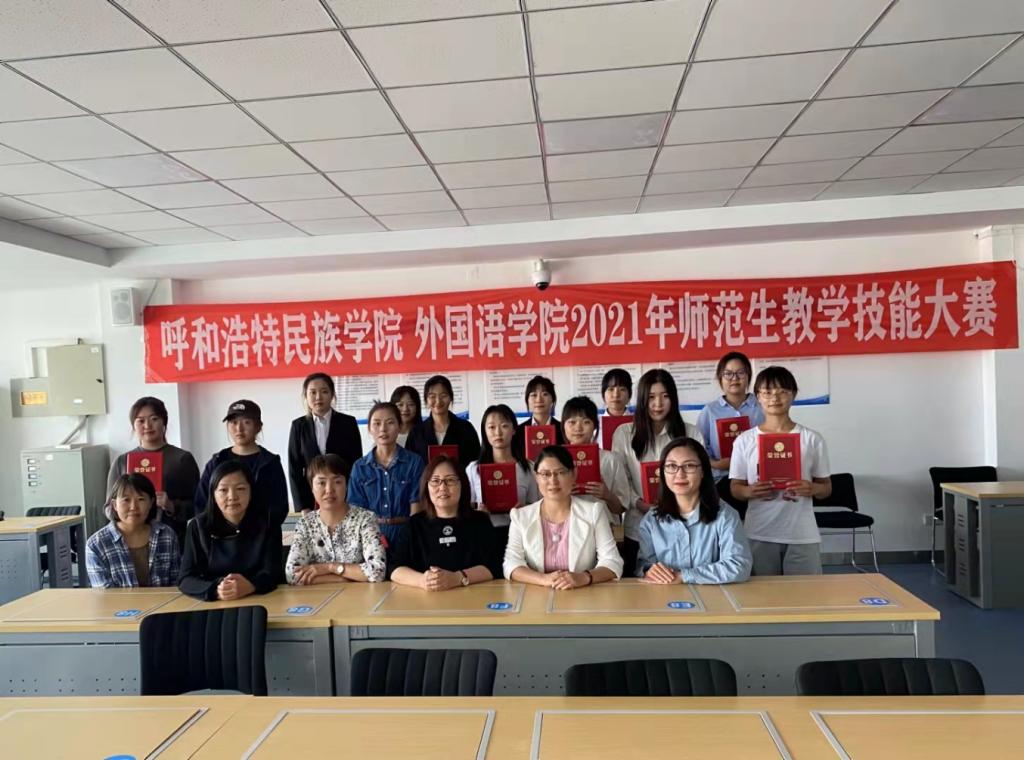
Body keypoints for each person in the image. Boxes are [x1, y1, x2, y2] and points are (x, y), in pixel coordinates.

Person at [729, 366, 832, 576]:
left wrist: (812, 488)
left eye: (782, 391)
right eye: (767, 392)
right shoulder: (744, 441)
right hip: (759, 532)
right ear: (758, 396)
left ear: (793, 394)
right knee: (763, 594)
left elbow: (826, 488)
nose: (774, 398)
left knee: (806, 594)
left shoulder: (812, 439)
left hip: (801, 535)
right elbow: (735, 487)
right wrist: (749, 491)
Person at [612, 369, 704, 577]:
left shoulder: (691, 433)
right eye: (651, 397)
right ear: (642, 400)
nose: (658, 404)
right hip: (638, 527)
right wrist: (638, 503)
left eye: (665, 396)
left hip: (684, 528)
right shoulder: (624, 434)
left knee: (681, 584)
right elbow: (622, 481)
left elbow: (699, 477)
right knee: (641, 587)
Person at [504, 446, 623, 589]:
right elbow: (511, 564)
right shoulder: (520, 516)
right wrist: (545, 579)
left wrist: (583, 577)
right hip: (537, 594)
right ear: (536, 477)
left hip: (582, 594)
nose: (553, 481)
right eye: (545, 474)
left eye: (560, 473)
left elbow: (613, 561)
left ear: (574, 474)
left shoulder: (593, 512)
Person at [637, 437, 752, 584]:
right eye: (671, 466)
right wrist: (649, 571)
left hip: (715, 596)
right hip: (666, 594)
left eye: (689, 466)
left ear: (703, 471)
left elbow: (739, 565)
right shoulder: (651, 520)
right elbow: (644, 565)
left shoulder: (725, 516)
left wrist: (684, 576)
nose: (680, 474)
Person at [389, 455, 502, 590]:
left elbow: (494, 566)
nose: (442, 487)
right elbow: (394, 568)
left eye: (450, 480)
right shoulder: (414, 524)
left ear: (463, 484)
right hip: (426, 599)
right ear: (426, 486)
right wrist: (422, 581)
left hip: (472, 596)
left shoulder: (480, 521)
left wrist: (458, 578)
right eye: (435, 481)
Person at [179, 460, 280, 601]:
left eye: (240, 488)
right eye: (223, 490)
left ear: (251, 491)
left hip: (259, 600)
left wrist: (251, 586)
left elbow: (274, 572)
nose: (232, 497)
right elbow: (185, 579)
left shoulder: (268, 523)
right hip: (215, 603)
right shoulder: (198, 527)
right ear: (213, 495)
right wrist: (217, 589)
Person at [106, 396, 200, 544]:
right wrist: (125, 507)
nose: (147, 425)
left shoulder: (182, 459)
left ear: (164, 422)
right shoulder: (122, 461)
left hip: (171, 540)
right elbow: (108, 508)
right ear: (133, 425)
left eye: (154, 419)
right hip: (129, 541)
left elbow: (199, 505)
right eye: (140, 421)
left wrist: (171, 505)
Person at [285, 454, 385, 584]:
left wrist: (330, 567)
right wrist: (347, 577)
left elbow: (377, 571)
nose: (329, 490)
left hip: (359, 595)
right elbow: (292, 574)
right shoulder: (305, 524)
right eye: (321, 483)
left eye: (337, 482)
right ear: (311, 488)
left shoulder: (365, 519)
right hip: (316, 595)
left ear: (347, 485)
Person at [194, 400, 289, 526]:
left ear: (258, 427)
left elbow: (279, 507)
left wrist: (259, 531)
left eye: (246, 422)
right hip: (221, 535)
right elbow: (201, 503)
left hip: (262, 535)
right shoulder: (217, 461)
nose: (239, 428)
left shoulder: (270, 463)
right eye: (234, 422)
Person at [348, 401, 426, 550]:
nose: (383, 429)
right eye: (377, 423)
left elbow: (417, 507)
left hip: (406, 532)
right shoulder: (359, 467)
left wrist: (412, 537)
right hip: (370, 534)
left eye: (390, 423)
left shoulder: (414, 462)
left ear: (400, 426)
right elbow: (356, 510)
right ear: (369, 429)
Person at [696, 352, 765, 511]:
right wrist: (716, 464)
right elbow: (698, 448)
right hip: (720, 481)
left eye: (740, 373)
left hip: (756, 480)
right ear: (720, 378)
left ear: (748, 376)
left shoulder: (761, 406)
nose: (734, 378)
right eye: (728, 374)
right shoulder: (710, 411)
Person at [86, 473, 181, 588]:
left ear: (151, 503)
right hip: (118, 601)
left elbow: (176, 586)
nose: (133, 507)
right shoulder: (96, 545)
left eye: (141, 499)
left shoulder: (167, 536)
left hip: (164, 600)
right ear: (114, 505)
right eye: (126, 500)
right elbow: (105, 594)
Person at [287, 373, 362, 514]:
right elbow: (294, 469)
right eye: (313, 392)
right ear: (305, 396)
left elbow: (356, 464)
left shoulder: (348, 423)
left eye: (324, 391)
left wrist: (353, 499)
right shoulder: (298, 426)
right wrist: (303, 506)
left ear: (332, 395)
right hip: (311, 500)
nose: (318, 397)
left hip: (343, 497)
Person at [466, 404, 539, 537]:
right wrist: (478, 514)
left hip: (520, 534)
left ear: (514, 429)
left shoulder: (528, 467)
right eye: (491, 427)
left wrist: (524, 511)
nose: (498, 432)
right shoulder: (473, 469)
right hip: (484, 534)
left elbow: (536, 506)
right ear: (484, 431)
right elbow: (466, 507)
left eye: (504, 426)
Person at [560, 396, 630, 520]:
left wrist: (607, 495)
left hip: (604, 527)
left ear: (595, 426)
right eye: (572, 422)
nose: (578, 428)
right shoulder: (555, 461)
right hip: (567, 528)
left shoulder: (611, 459)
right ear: (563, 426)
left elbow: (621, 508)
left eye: (586, 422)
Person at [407, 375, 481, 466]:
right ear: (426, 400)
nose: (438, 401)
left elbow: (475, 464)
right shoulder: (416, 432)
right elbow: (409, 465)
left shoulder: (466, 428)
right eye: (432, 396)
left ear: (451, 398)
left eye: (443, 395)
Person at [512, 375, 566, 459]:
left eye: (545, 394)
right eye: (534, 395)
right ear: (527, 400)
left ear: (553, 399)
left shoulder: (563, 430)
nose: (539, 400)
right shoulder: (518, 432)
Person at [391, 385, 425, 451]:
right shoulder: (387, 435)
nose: (405, 409)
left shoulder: (425, 433)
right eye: (400, 405)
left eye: (410, 404)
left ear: (417, 407)